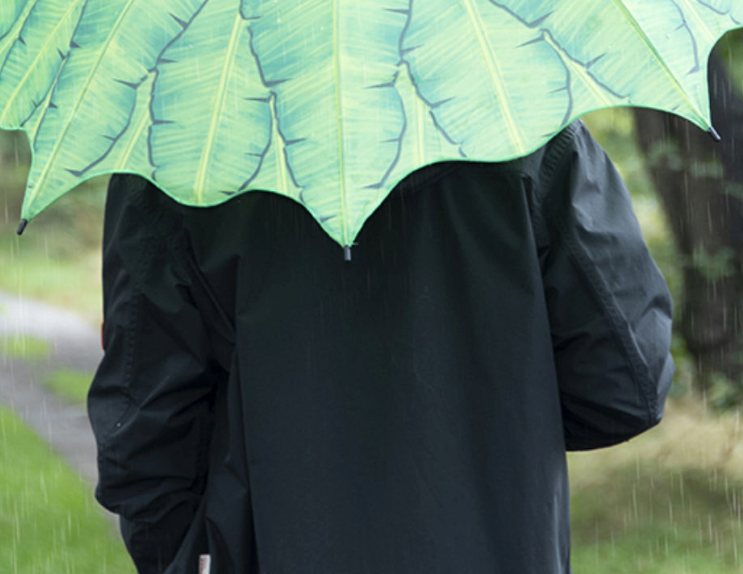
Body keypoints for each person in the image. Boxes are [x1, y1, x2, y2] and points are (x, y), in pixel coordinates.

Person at [87, 120, 674, 574]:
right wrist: (484, 429)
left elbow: (144, 450)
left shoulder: (174, 153)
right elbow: (625, 387)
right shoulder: (528, 132)